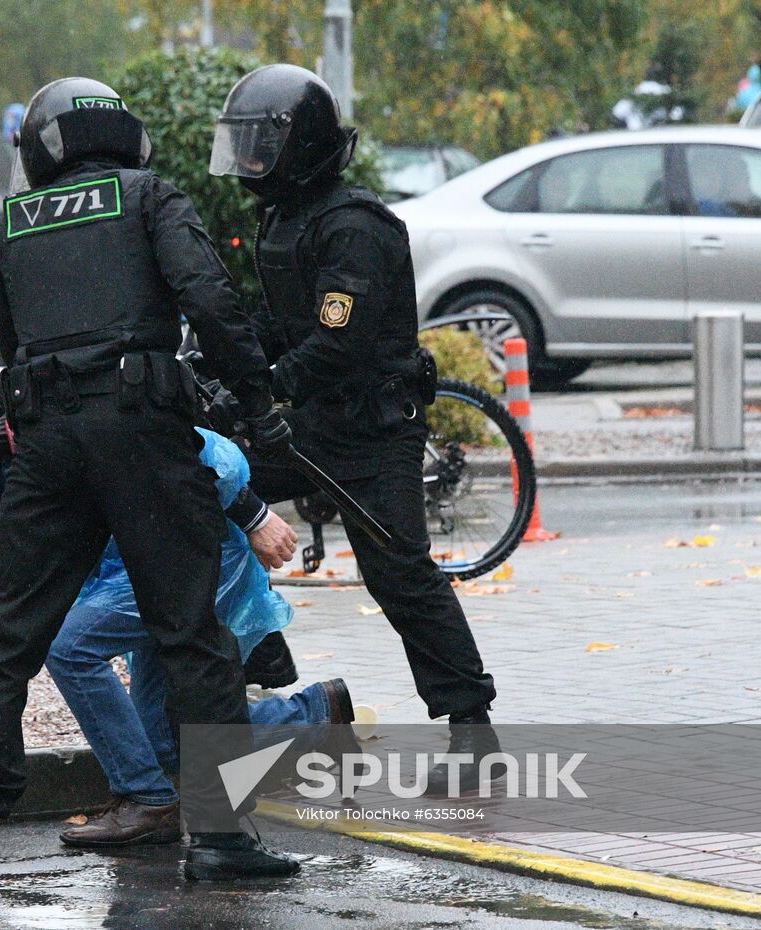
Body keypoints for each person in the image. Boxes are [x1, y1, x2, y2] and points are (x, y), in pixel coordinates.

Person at [0, 76, 299, 886]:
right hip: (144, 435)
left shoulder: (14, 220)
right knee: (191, 636)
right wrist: (260, 405)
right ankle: (223, 841)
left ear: (42, 145)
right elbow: (209, 299)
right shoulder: (150, 195)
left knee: (8, 644)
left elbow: (9, 338)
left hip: (47, 447)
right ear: (124, 133)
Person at [0, 385, 355, 847]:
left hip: (190, 544)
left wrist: (253, 515)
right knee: (160, 739)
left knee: (70, 646)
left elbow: (189, 444)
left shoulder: (20, 443)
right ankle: (319, 714)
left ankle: (145, 800)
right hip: (136, 563)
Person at [208, 64, 498, 797]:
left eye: (257, 146)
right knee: (207, 491)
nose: (246, 163)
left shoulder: (355, 227)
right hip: (310, 426)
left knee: (399, 571)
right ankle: (262, 658)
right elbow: (282, 322)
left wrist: (266, 385)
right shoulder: (283, 218)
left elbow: (341, 342)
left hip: (371, 432)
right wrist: (222, 358)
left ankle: (473, 728)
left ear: (295, 146)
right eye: (238, 146)